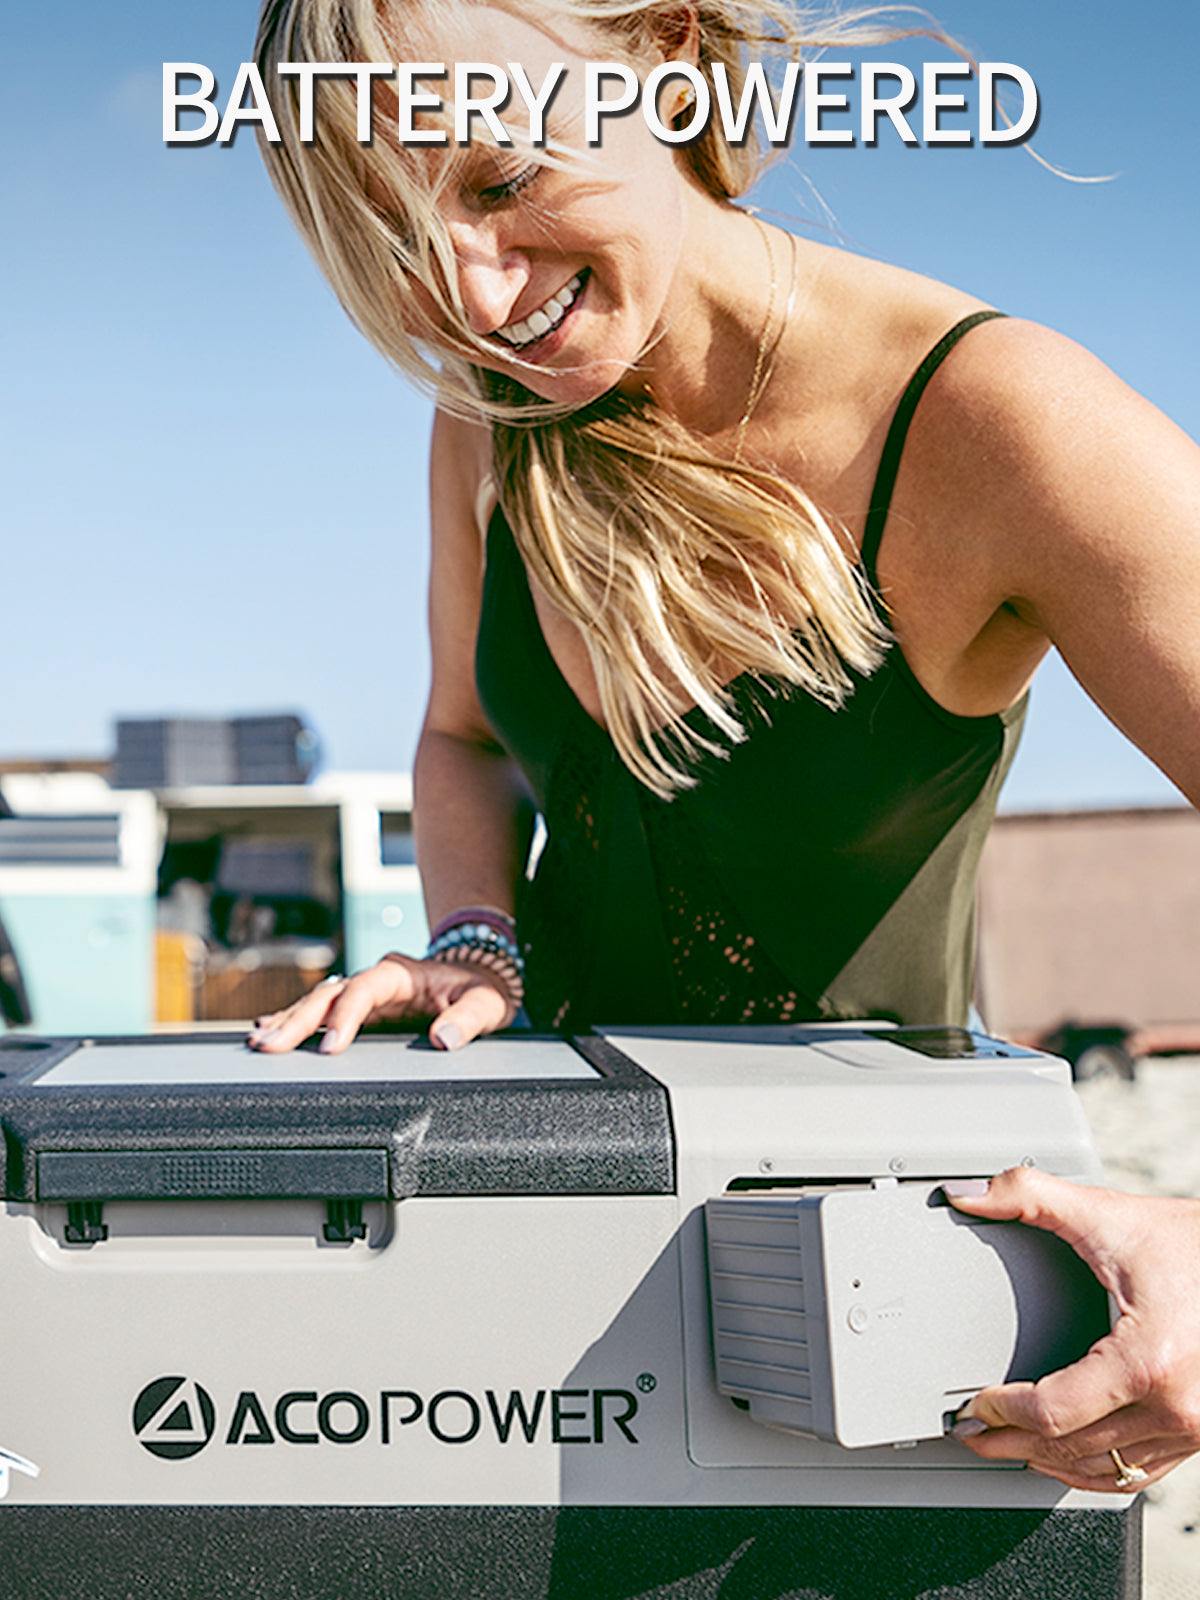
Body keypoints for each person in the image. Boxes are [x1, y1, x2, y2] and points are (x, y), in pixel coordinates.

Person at [246, 0, 1200, 1494]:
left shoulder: (1001, 424)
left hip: (889, 1307)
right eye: (394, 237)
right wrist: (477, 938)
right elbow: (462, 735)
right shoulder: (493, 419)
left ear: (672, 58)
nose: (473, 299)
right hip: (540, 1260)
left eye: (500, 182)